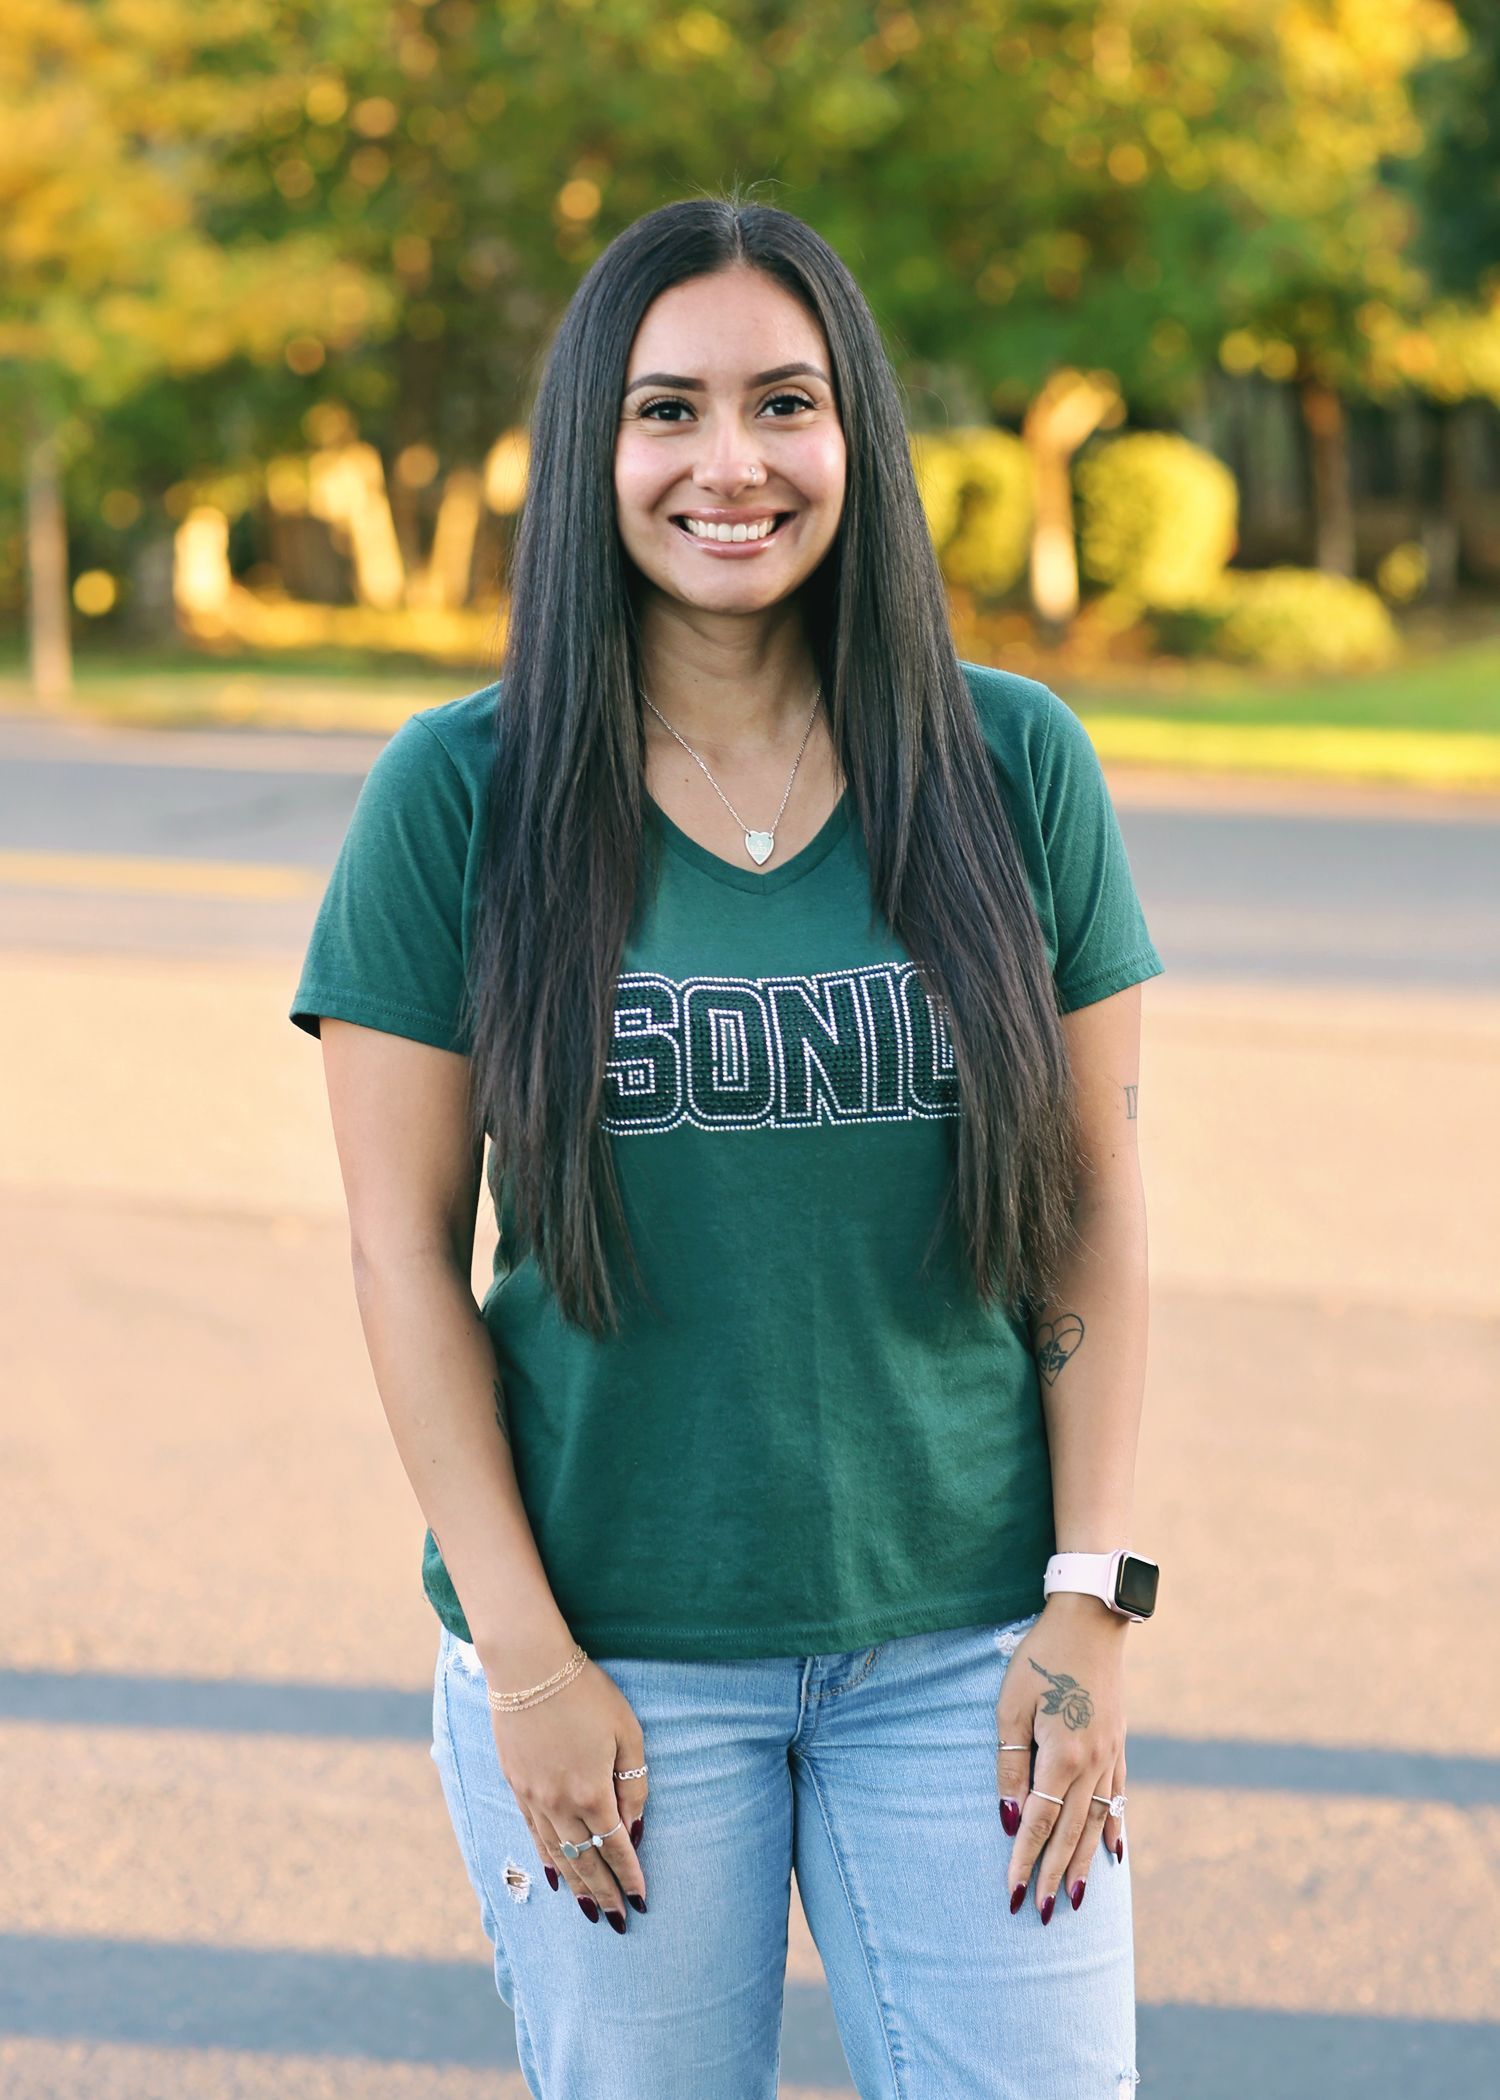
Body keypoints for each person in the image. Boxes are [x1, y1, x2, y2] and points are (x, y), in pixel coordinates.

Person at [289, 192, 1162, 2100]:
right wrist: (526, 1659)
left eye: (788, 401)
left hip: (972, 1654)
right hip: (614, 1654)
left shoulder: (1012, 769)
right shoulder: (461, 796)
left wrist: (1091, 1604)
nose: (733, 463)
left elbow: (1091, 1215)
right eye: (668, 409)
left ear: (860, 441)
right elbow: (397, 1250)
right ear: (596, 448)